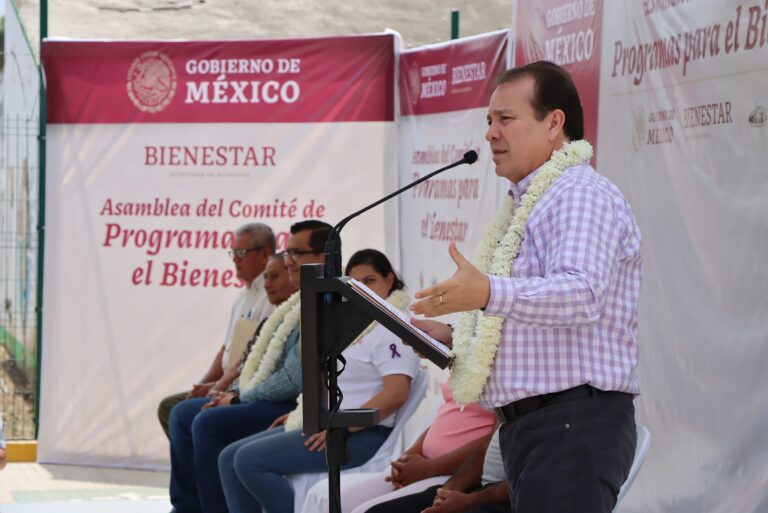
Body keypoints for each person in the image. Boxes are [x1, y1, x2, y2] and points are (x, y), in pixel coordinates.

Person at [410, 61, 642, 513]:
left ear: (554, 123)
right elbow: (531, 326)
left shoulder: (577, 193)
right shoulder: (527, 204)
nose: (491, 134)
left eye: (506, 119)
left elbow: (582, 294)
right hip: (535, 430)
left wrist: (488, 294)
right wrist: (457, 338)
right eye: (488, 121)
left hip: (571, 427)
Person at [218, 249, 421, 513]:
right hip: (327, 422)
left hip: (359, 434)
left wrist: (342, 427)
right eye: (355, 283)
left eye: (370, 281)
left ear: (390, 280)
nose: (363, 289)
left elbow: (396, 394)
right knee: (228, 458)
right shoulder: (353, 321)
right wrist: (303, 412)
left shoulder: (394, 327)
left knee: (248, 461)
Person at [167, 220, 330, 513]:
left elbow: (293, 379)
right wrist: (226, 389)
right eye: (288, 253)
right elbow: (247, 359)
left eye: (295, 254)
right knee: (183, 412)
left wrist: (239, 396)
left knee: (205, 422)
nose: (289, 261)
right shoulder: (292, 303)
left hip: (292, 406)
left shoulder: (321, 302)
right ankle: (189, 508)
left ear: (323, 257)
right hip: (270, 398)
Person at [300, 378, 496, 513]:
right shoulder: (470, 353)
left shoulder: (506, 371)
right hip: (422, 465)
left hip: (452, 473)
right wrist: (407, 457)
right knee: (332, 502)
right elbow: (444, 417)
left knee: (364, 511)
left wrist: (427, 469)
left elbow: (490, 441)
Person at [157, 223, 277, 438]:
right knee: (173, 407)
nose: (235, 259)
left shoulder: (271, 296)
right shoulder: (243, 295)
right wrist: (203, 385)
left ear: (265, 254)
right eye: (233, 252)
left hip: (243, 389)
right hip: (226, 384)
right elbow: (226, 350)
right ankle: (196, 469)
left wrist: (219, 387)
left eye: (241, 252)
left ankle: (201, 470)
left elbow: (251, 358)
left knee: (181, 412)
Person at [360, 429, 509, 513]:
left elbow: (526, 487)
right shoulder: (506, 407)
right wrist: (447, 491)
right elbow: (488, 444)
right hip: (468, 481)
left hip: (495, 495)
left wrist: (428, 468)